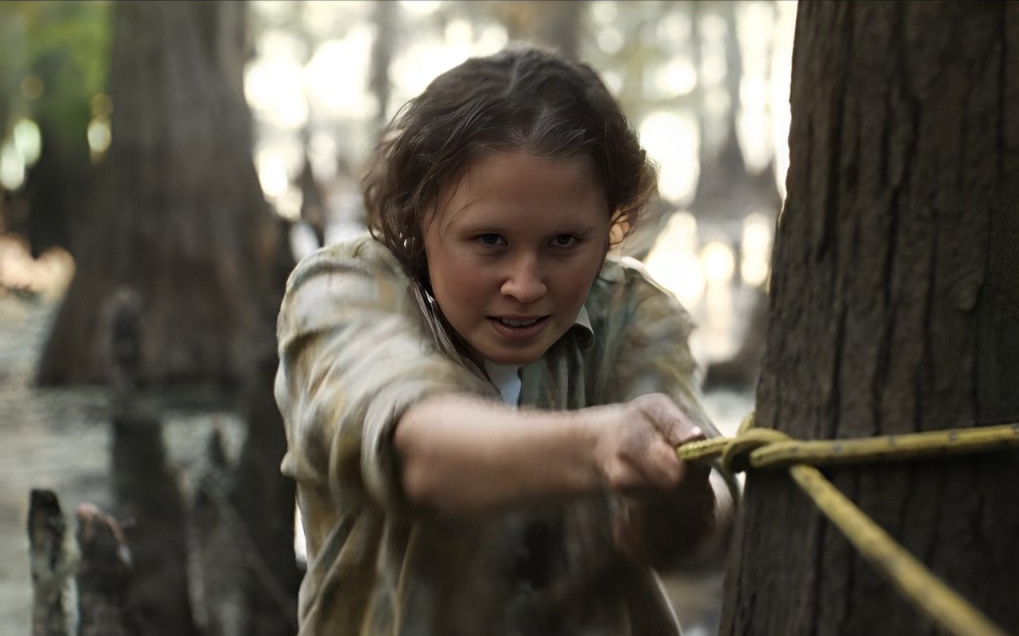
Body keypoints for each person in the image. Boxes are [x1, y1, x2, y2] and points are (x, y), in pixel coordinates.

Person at [274, 47, 737, 636]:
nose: (526, 285)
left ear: (610, 227)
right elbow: (415, 447)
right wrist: (602, 445)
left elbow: (702, 521)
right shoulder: (341, 290)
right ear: (419, 219)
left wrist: (677, 499)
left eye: (565, 242)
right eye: (489, 240)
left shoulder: (629, 313)